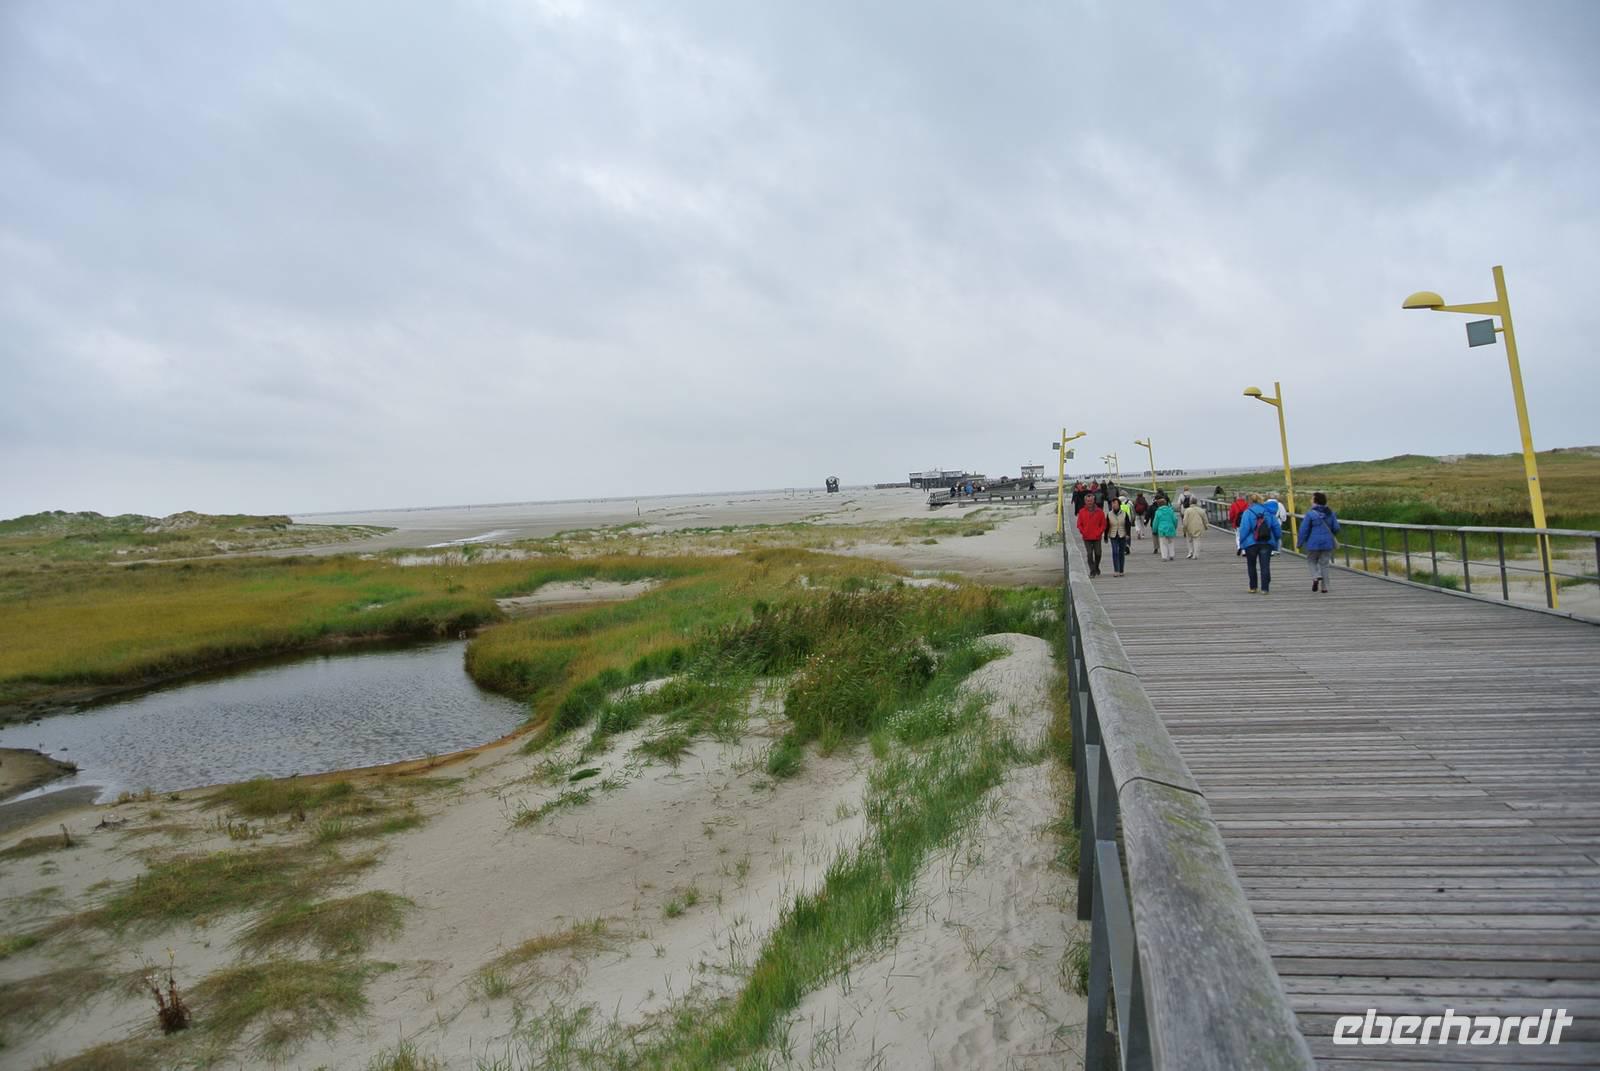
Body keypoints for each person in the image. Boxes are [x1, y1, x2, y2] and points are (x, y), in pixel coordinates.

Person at [1238, 493, 1282, 593]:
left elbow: (1244, 529)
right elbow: (1276, 527)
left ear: (1250, 501)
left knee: (1251, 565)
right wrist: (1277, 538)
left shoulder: (1247, 512)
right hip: (1266, 541)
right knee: (1265, 565)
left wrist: (1241, 542)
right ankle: (1265, 588)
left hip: (1251, 543)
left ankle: (1253, 587)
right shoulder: (1269, 512)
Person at [1298, 491, 1341, 592]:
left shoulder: (1310, 514)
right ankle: (1325, 587)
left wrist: (1300, 542)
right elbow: (1336, 528)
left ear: (1315, 501)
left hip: (1313, 543)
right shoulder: (1331, 513)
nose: (1310, 500)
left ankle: (1316, 576)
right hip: (1327, 543)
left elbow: (1303, 530)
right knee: (1325, 564)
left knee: (1311, 560)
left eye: (1311, 499)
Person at [1076, 494, 1108, 577]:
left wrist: (1099, 532)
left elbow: (1103, 524)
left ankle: (1096, 566)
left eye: (1091, 500)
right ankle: (1092, 571)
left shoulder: (1100, 511)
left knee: (1098, 553)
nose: (1089, 502)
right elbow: (1079, 524)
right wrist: (1083, 532)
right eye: (1088, 501)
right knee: (1089, 554)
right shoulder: (1082, 511)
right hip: (1087, 537)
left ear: (1094, 501)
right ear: (1085, 501)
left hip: (1097, 536)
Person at [1106, 495, 1132, 576]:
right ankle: (1116, 570)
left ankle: (1121, 570)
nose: (1114, 505)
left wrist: (1128, 534)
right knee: (1115, 552)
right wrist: (1105, 536)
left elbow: (1128, 524)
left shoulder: (1124, 514)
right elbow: (1107, 526)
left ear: (1119, 505)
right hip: (1113, 535)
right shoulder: (1109, 514)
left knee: (1121, 552)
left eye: (1115, 504)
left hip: (1122, 534)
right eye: (1112, 504)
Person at [1151, 496, 1178, 561]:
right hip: (1170, 528)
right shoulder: (1170, 510)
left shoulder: (1158, 512)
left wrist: (1154, 529)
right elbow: (1175, 519)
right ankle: (1171, 555)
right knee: (1171, 542)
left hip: (1162, 529)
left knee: (1163, 543)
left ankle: (1164, 556)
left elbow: (1155, 522)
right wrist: (1175, 526)